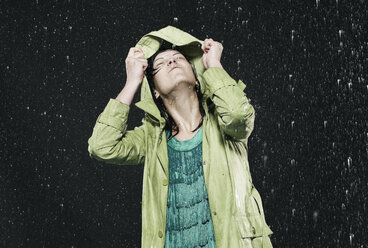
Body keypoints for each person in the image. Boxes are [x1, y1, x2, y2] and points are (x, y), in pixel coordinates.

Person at [88, 25, 273, 248]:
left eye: (178, 58)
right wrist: (132, 81)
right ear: (155, 90)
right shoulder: (151, 138)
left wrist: (213, 64)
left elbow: (238, 114)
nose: (171, 62)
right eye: (160, 64)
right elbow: (101, 146)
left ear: (197, 79)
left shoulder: (223, 123)